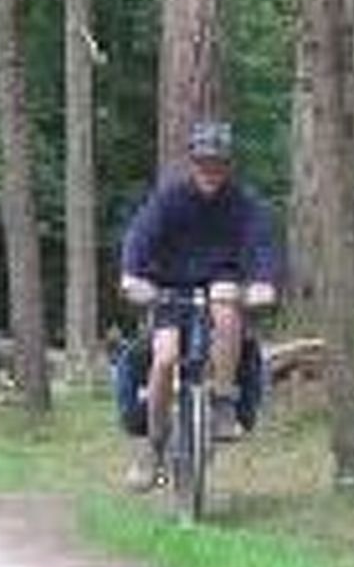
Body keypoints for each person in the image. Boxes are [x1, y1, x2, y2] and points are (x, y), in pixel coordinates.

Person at [117, 120, 281, 492]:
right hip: (170, 291)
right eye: (203, 162)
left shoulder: (244, 205)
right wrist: (132, 277)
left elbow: (263, 245)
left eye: (217, 162)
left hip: (220, 288)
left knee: (225, 298)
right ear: (192, 162)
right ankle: (153, 447)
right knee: (164, 358)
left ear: (228, 164)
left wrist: (264, 283)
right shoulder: (170, 199)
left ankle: (222, 401)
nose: (210, 170)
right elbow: (140, 235)